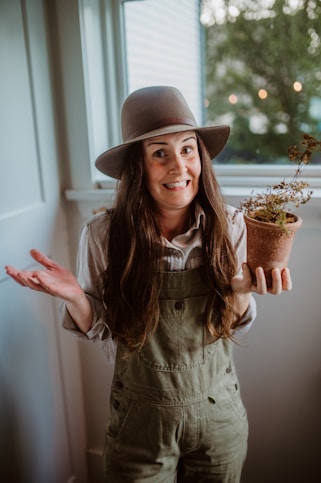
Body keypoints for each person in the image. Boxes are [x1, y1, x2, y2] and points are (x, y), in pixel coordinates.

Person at [5, 86, 292, 483]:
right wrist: (74, 296)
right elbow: (101, 327)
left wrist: (240, 291)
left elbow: (236, 324)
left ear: (201, 158)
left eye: (188, 149)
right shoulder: (103, 234)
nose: (179, 166)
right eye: (160, 153)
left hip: (220, 417)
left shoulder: (230, 226)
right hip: (139, 428)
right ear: (137, 167)